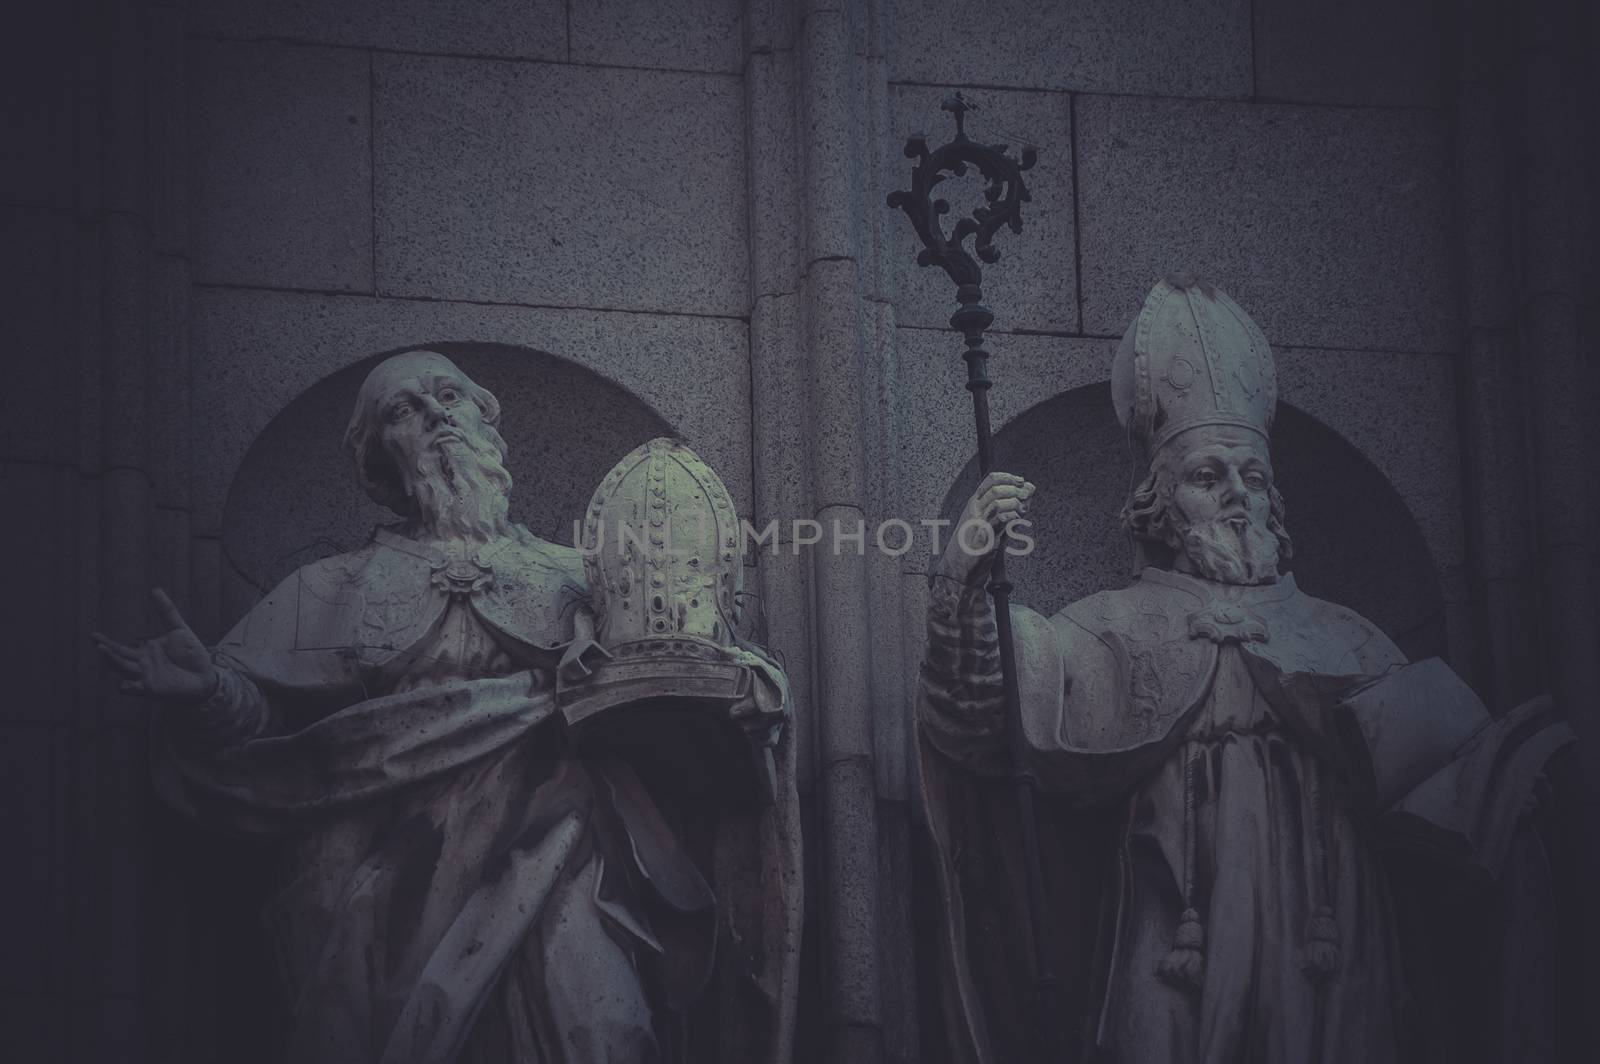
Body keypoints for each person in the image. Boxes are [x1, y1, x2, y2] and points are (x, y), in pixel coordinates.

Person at [918, 277, 1569, 1063]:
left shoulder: (1346, 636)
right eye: (1206, 476)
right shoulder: (1111, 624)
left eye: (1251, 477)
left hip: (1335, 924)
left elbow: (1445, 804)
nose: (1235, 495)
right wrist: (964, 577)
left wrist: (1515, 775)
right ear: (1159, 505)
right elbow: (984, 716)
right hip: (1175, 918)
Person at [95, 350, 799, 1064]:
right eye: (404, 411)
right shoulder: (330, 589)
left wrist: (752, 687)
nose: (436, 416)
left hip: (553, 848)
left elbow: (683, 656)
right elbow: (272, 740)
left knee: (606, 1030)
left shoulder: (575, 577)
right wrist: (211, 692)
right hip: (377, 870)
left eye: (449, 397)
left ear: (487, 423)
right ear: (380, 460)